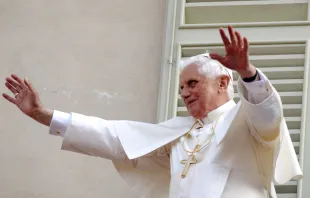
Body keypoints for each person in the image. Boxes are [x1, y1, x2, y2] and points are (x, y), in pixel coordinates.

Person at [3, 26, 303, 198]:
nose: (184, 93)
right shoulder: (178, 131)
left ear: (224, 81)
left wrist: (248, 72)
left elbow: (268, 115)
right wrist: (43, 115)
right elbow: (112, 137)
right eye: (181, 87)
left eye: (193, 83)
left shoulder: (248, 120)